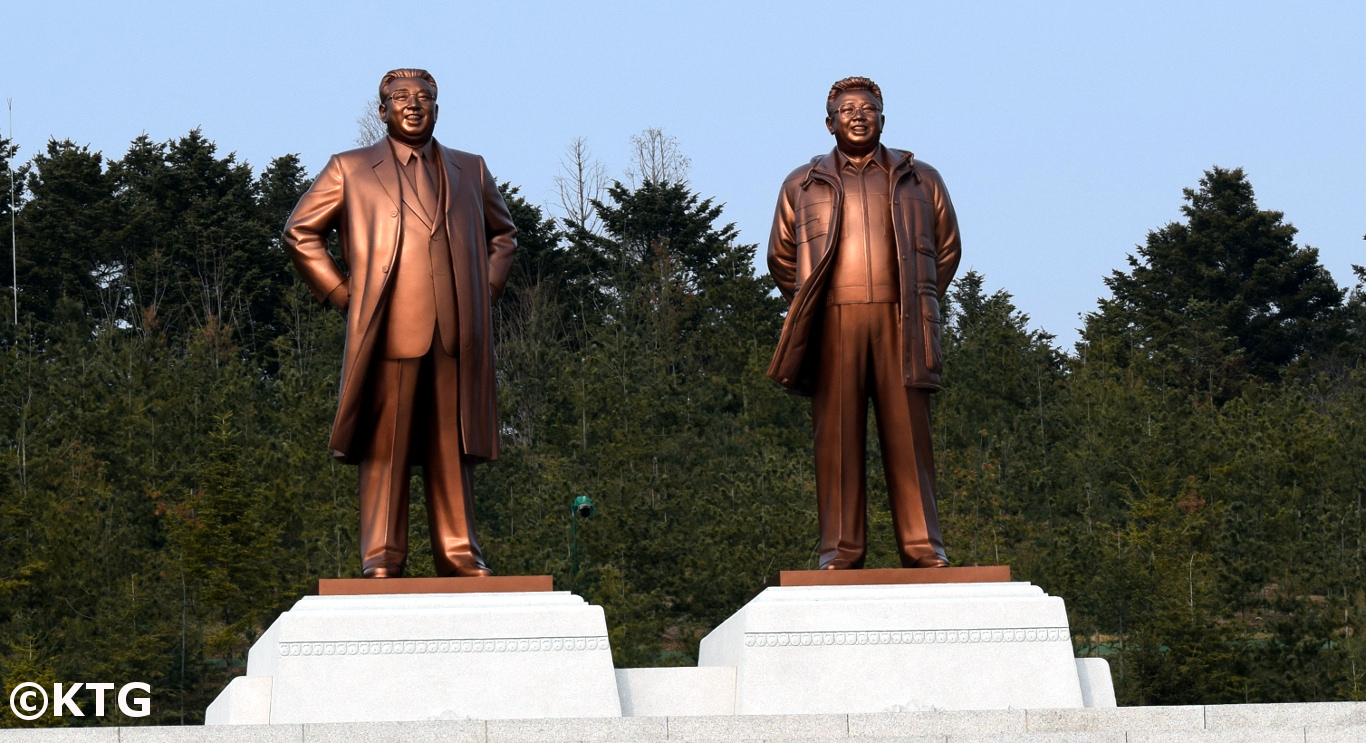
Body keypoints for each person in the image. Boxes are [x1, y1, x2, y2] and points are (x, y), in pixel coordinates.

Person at [284, 68, 516, 578]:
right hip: (388, 329)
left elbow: (504, 237)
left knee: (450, 445)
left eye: (424, 98)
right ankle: (381, 556)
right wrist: (345, 296)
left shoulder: (470, 169)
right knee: (385, 445)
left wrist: (485, 291)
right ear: (382, 108)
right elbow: (300, 232)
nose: (414, 105)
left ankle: (459, 552)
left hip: (456, 333)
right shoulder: (350, 168)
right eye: (401, 98)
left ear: (438, 106)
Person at [767, 76, 961, 570]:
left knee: (909, 436)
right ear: (829, 122)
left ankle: (923, 546)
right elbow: (781, 257)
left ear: (883, 117)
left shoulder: (922, 179)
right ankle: (840, 548)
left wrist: (918, 299)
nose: (858, 115)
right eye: (848, 109)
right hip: (834, 323)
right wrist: (815, 302)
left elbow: (947, 248)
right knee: (836, 439)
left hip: (902, 322)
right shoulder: (801, 184)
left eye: (868, 108)